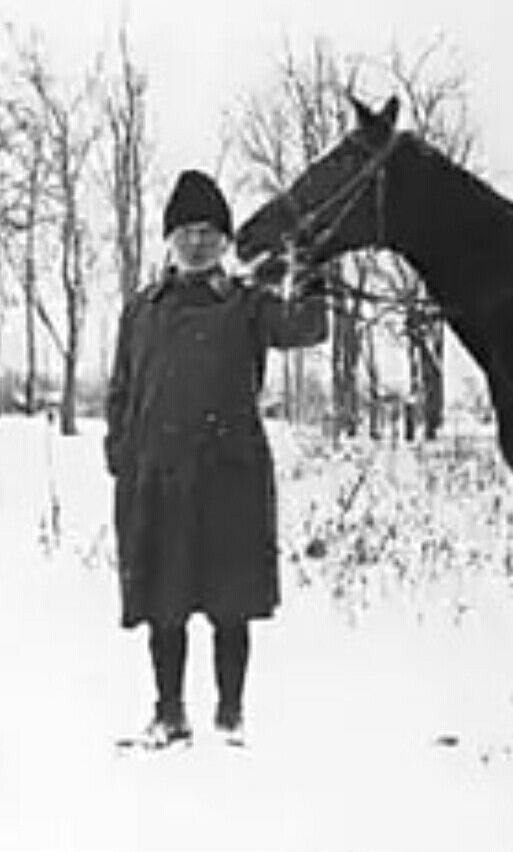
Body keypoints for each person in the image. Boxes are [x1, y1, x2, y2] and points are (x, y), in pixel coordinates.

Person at [105, 169, 328, 749]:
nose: (197, 241)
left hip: (229, 476)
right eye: (186, 231)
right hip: (158, 477)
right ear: (170, 240)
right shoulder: (142, 310)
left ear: (226, 241)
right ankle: (169, 713)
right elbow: (121, 387)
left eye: (209, 231)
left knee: (232, 602)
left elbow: (307, 326)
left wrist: (310, 267)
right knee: (164, 602)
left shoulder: (247, 305)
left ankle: (230, 717)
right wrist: (120, 450)